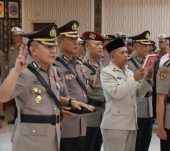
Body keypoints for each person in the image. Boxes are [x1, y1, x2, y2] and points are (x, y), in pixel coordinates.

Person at [0, 23, 94, 151]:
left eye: (54, 46)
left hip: (53, 136)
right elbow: (3, 97)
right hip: (31, 141)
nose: (54, 50)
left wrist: (70, 101)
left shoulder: (52, 71)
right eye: (48, 47)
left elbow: (50, 96)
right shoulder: (24, 72)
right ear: (33, 51)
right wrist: (15, 71)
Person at [100, 38, 152, 151]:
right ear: (112, 56)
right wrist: (134, 79)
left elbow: (138, 95)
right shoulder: (106, 72)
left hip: (131, 123)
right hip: (115, 125)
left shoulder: (128, 72)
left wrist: (146, 81)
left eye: (126, 52)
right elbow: (116, 93)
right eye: (122, 52)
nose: (126, 55)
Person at [56, 20, 89, 151]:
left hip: (81, 123)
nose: (76, 42)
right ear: (60, 42)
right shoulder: (55, 65)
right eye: (71, 39)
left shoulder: (78, 64)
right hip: (66, 124)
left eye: (76, 38)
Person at [128, 30, 153, 151]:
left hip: (148, 107)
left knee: (145, 141)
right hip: (137, 107)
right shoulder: (128, 63)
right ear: (135, 47)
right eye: (144, 45)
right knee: (135, 143)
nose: (147, 48)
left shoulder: (148, 61)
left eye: (148, 45)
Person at [82, 31, 105, 151]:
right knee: (88, 146)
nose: (100, 47)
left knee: (97, 145)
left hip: (103, 114)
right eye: (96, 44)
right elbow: (85, 91)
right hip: (89, 116)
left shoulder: (102, 66)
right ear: (87, 46)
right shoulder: (82, 66)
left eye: (101, 44)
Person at [7, 27, 25, 124]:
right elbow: (9, 62)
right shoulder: (12, 48)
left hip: (21, 76)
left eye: (16, 35)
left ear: (21, 36)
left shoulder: (25, 48)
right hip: (12, 76)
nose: (14, 37)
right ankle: (16, 117)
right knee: (14, 98)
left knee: (22, 97)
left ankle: (22, 117)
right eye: (13, 35)